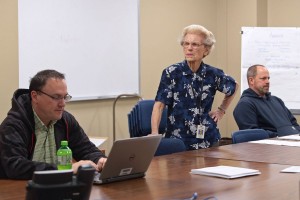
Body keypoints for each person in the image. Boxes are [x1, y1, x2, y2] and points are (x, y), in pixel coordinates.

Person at [0, 69, 107, 180]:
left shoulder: (65, 120)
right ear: (35, 96)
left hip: (55, 187)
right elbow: (16, 166)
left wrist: (100, 160)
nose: (62, 104)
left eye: (65, 97)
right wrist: (66, 169)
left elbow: (85, 149)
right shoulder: (14, 125)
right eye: (56, 97)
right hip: (19, 190)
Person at [151, 24, 238, 150]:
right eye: (186, 44)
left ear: (206, 50)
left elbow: (234, 86)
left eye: (195, 44)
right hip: (178, 141)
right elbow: (159, 106)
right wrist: (154, 133)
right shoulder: (171, 73)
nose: (189, 48)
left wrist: (221, 110)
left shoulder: (213, 73)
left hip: (208, 139)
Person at [233, 64, 300, 137]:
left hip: (293, 143)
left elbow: (294, 124)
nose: (267, 81)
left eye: (268, 78)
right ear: (251, 80)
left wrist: (295, 136)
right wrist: (282, 136)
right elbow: (253, 136)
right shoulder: (245, 105)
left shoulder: (277, 101)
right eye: (263, 78)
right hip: (271, 146)